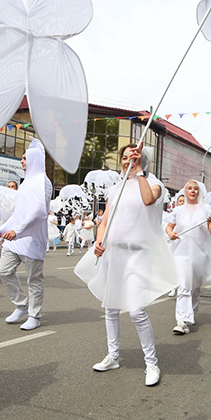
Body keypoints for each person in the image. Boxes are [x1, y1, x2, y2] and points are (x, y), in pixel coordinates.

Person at [75, 144, 177, 387]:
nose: (128, 159)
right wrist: (99, 241)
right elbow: (105, 221)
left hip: (138, 254)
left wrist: (139, 170)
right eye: (125, 156)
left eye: (134, 155)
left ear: (144, 159)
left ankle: (151, 363)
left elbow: (148, 200)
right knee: (110, 307)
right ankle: (113, 356)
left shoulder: (153, 183)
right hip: (113, 253)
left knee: (136, 309)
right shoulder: (115, 189)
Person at [0, 139, 52, 331]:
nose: (21, 161)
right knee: (4, 271)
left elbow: (39, 212)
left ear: (35, 159)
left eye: (25, 158)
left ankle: (35, 315)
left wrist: (16, 231)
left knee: (34, 280)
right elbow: (19, 212)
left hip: (32, 239)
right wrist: (3, 229)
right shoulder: (26, 182)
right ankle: (21, 305)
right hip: (14, 239)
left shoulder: (42, 182)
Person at [166, 180, 211, 335]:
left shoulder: (206, 209)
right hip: (181, 252)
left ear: (199, 192)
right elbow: (169, 227)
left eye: (195, 189)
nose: (192, 191)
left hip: (199, 253)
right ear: (184, 191)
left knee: (195, 287)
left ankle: (191, 313)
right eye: (189, 188)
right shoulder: (178, 210)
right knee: (184, 285)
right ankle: (182, 320)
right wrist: (171, 234)